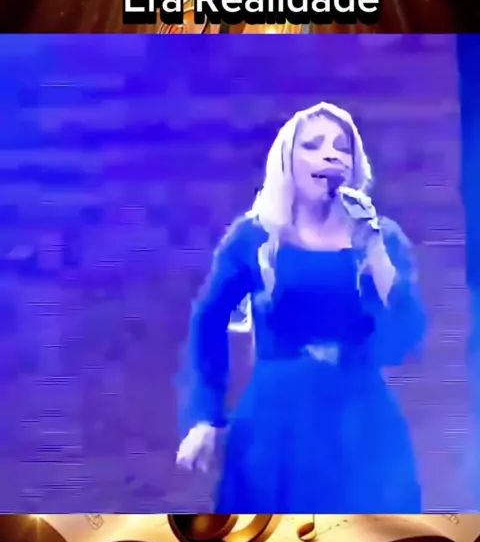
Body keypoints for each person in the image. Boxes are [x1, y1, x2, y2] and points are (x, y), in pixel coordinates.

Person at [176, 102, 427, 513]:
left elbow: (407, 336)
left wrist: (373, 247)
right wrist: (205, 416)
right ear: (287, 162)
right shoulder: (255, 237)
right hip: (275, 426)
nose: (331, 155)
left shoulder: (383, 238)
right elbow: (207, 323)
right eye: (313, 145)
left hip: (360, 426)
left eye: (342, 147)